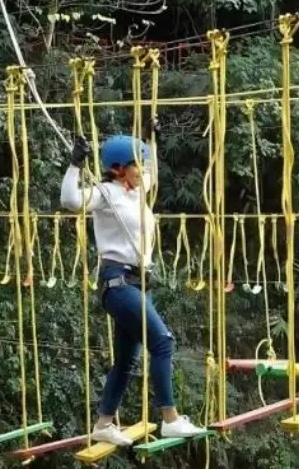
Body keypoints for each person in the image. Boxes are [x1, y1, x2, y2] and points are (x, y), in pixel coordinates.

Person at [59, 128, 205, 446]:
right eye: (136, 163)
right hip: (118, 283)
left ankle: (103, 424)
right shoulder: (105, 193)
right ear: (117, 169)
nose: (142, 169)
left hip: (139, 284)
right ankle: (169, 419)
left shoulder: (136, 191)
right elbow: (70, 200)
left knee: (127, 359)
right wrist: (75, 164)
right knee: (163, 342)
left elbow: (151, 172)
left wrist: (152, 137)